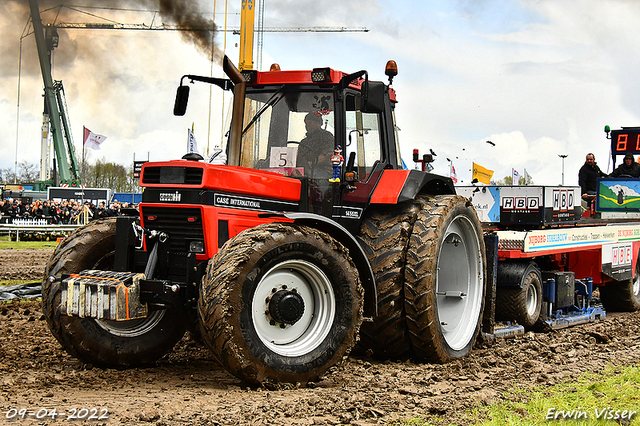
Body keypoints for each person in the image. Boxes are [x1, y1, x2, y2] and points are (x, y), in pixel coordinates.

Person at [296, 112, 334, 178]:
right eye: (306, 124)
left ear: (318, 123)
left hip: (325, 173)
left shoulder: (326, 137)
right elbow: (299, 160)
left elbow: (326, 156)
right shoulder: (304, 142)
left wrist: (309, 164)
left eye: (310, 123)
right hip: (307, 172)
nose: (307, 126)